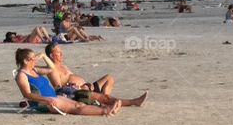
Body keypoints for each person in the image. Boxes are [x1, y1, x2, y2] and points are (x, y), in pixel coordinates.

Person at [13, 48, 146, 114]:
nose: (35, 59)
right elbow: (27, 95)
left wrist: (42, 55)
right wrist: (46, 100)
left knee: (81, 104)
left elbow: (51, 68)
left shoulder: (34, 70)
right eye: (33, 58)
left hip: (54, 97)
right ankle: (106, 111)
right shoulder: (22, 75)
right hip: (46, 103)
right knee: (77, 107)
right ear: (25, 61)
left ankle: (109, 106)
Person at [42, 42, 115, 97]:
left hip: (88, 87)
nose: (61, 54)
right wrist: (79, 88)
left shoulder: (63, 66)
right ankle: (104, 100)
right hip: (80, 93)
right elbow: (59, 89)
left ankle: (104, 99)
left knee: (109, 78)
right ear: (51, 55)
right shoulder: (52, 70)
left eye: (61, 52)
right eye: (58, 52)